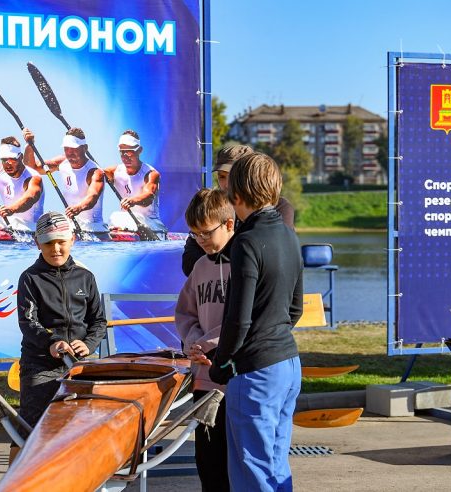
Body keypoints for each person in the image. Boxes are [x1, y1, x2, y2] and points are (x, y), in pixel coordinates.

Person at [206, 152, 303, 492]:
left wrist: (220, 365)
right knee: (276, 467)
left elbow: (238, 319)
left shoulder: (245, 242)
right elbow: (295, 310)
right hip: (288, 365)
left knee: (252, 472)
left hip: (256, 373)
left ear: (235, 195)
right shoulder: (289, 236)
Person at [12, 211, 107, 460]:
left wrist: (88, 344)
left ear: (72, 240)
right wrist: (52, 342)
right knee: (28, 429)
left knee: (79, 430)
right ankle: (15, 483)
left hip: (79, 366)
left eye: (61, 241)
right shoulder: (29, 278)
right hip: (40, 364)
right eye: (48, 243)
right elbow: (27, 322)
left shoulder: (86, 277)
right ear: (37, 243)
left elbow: (98, 321)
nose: (55, 248)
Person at [175, 188, 235, 492]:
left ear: (228, 224)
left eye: (205, 232)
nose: (200, 240)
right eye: (194, 234)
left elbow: (243, 320)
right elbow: (185, 314)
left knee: (233, 463)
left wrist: (208, 343)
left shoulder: (243, 265)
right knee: (207, 463)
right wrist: (192, 341)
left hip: (234, 380)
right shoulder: (200, 267)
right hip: (203, 379)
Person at [182, 144, 295, 276]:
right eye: (222, 177)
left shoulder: (280, 207)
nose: (226, 184)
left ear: (250, 175)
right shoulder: (211, 207)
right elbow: (189, 263)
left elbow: (273, 256)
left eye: (233, 176)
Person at [22, 128, 108, 233]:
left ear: (85, 148)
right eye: (66, 149)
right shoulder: (62, 162)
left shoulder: (95, 172)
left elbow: (93, 197)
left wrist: (78, 208)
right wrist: (29, 145)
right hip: (70, 224)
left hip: (93, 227)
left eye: (74, 149)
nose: (69, 153)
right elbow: (31, 167)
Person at [104, 130, 167, 233]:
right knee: (115, 216)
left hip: (151, 224)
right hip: (125, 223)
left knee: (118, 218)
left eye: (129, 151)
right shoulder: (114, 172)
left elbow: (148, 197)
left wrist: (132, 201)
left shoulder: (151, 174)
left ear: (139, 150)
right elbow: (93, 174)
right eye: (121, 151)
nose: (125, 156)